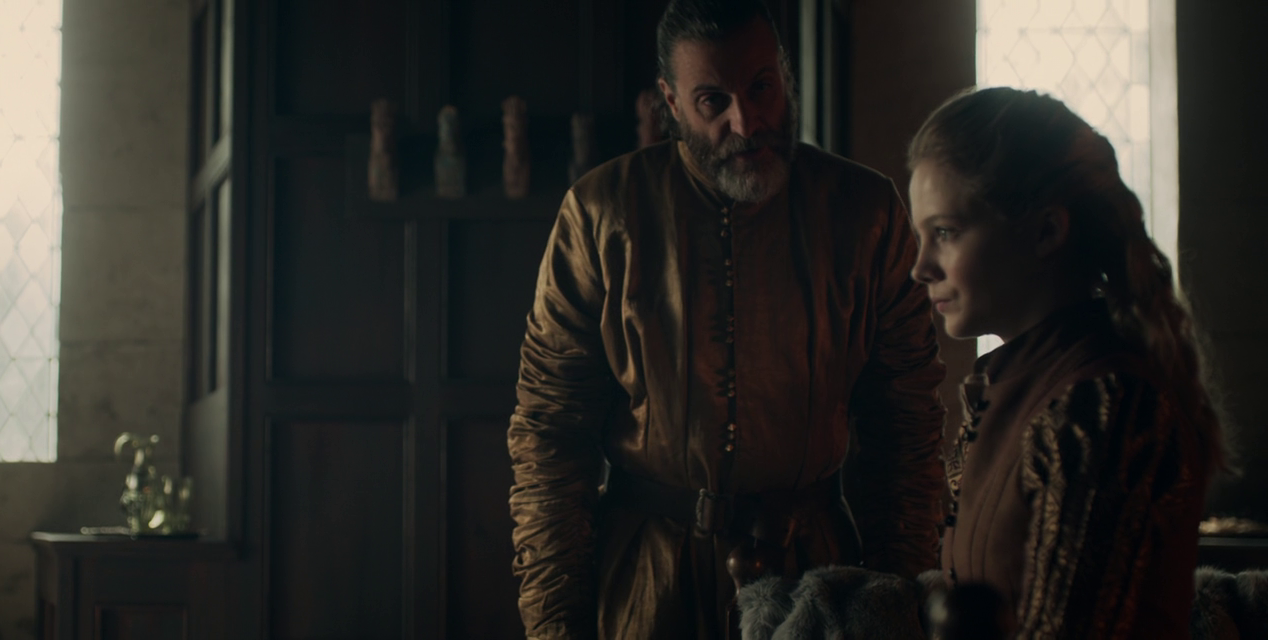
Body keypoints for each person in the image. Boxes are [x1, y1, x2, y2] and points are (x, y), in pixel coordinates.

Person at [507, 1, 948, 637]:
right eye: (713, 101)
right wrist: (555, 627)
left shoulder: (864, 211)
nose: (747, 122)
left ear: (784, 75)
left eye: (762, 88)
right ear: (671, 101)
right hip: (644, 587)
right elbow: (550, 434)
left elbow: (906, 428)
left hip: (815, 584)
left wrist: (892, 605)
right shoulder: (602, 214)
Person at [906, 86, 1225, 638]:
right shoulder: (1011, 389)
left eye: (945, 233)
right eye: (922, 236)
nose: (921, 267)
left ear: (1046, 232)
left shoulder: (1104, 405)